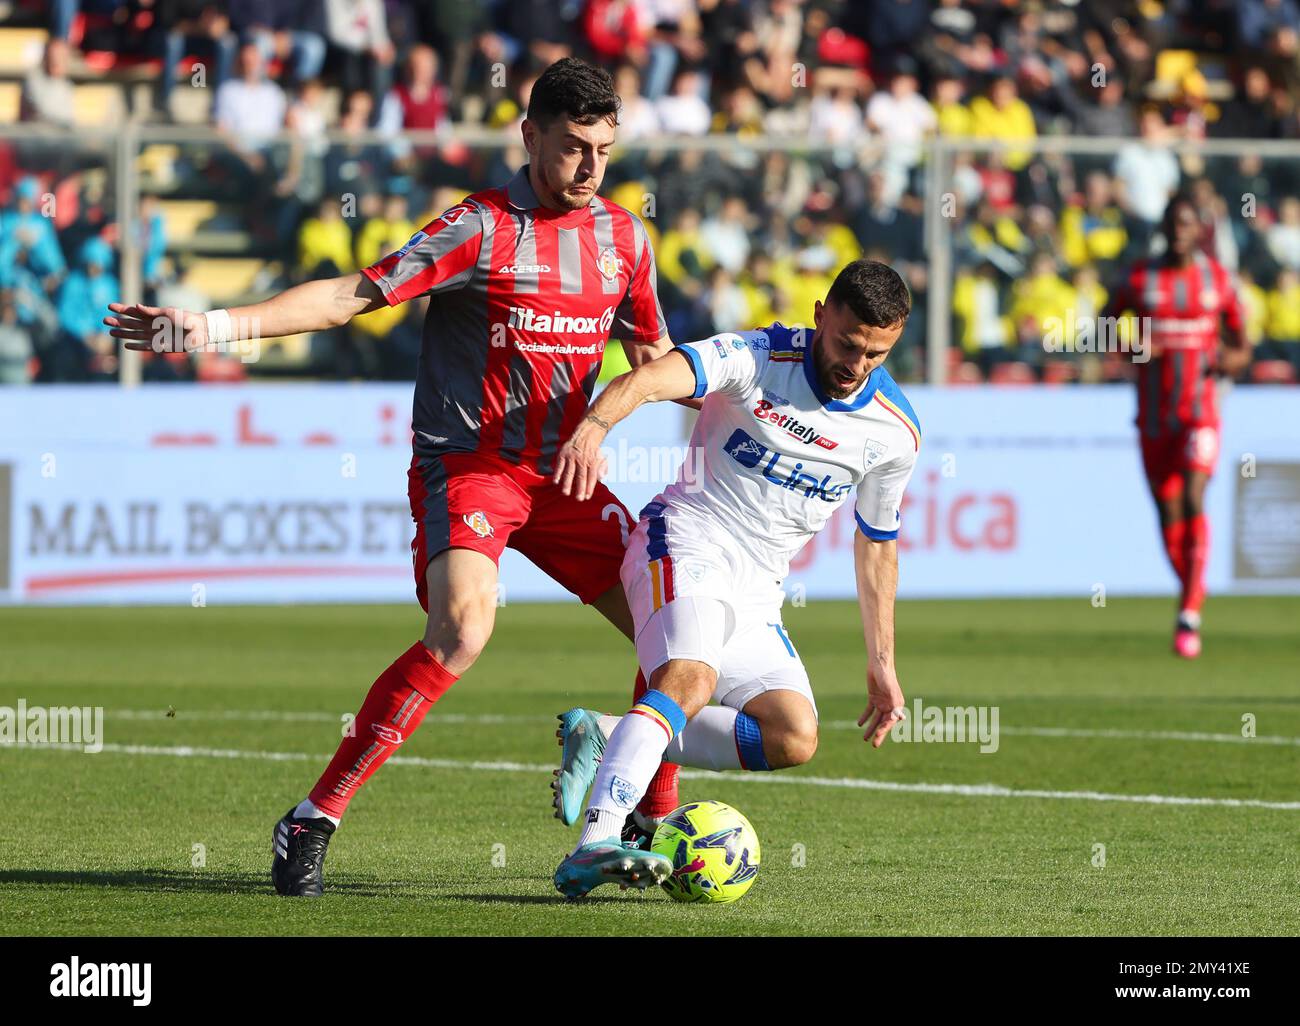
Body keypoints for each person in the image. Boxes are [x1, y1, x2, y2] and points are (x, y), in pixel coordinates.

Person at [103, 58, 688, 897]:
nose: (592, 168)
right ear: (529, 137)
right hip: (471, 467)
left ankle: (648, 812)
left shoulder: (627, 239)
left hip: (562, 475)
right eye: (573, 148)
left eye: (605, 149)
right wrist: (209, 327)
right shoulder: (479, 228)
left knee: (670, 633)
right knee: (462, 631)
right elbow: (351, 295)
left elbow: (654, 360)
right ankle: (315, 814)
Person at [547, 260, 920, 897]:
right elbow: (651, 378)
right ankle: (596, 839)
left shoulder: (894, 430)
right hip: (686, 538)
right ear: (821, 313)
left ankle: (607, 733)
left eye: (876, 354)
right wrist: (595, 425)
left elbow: (877, 546)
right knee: (691, 679)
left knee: (793, 736)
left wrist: (882, 662)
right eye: (848, 344)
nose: (857, 365)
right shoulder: (756, 355)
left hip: (756, 592)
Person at [1100, 193, 1251, 659]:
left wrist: (1231, 360)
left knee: (1193, 497)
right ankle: (1190, 592)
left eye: (1190, 223)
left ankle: (1189, 610)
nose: (1183, 231)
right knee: (1168, 515)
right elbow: (1105, 328)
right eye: (1176, 223)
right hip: (1153, 415)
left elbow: (1241, 344)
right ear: (1166, 228)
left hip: (1201, 410)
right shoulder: (1140, 277)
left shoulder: (1217, 279)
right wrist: (1136, 352)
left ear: (1200, 229)